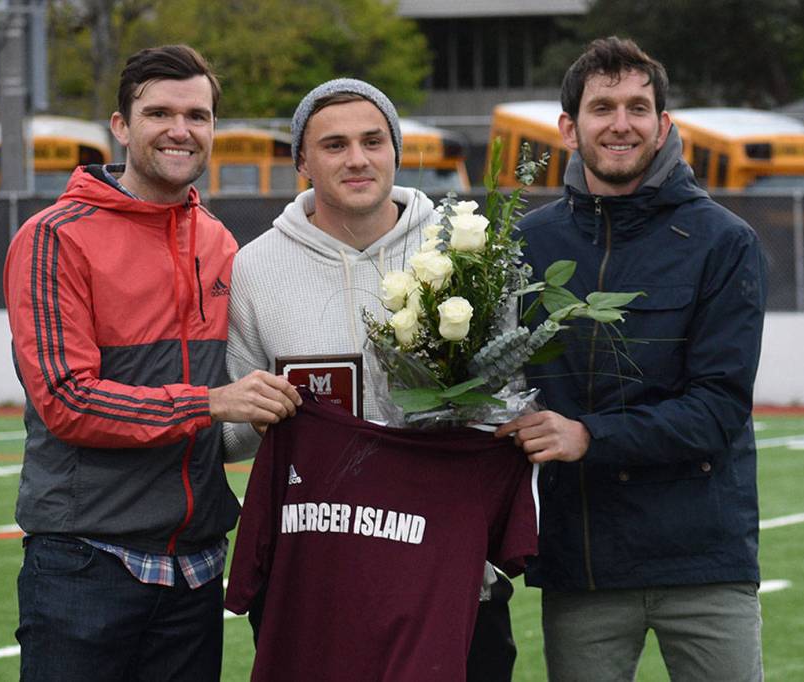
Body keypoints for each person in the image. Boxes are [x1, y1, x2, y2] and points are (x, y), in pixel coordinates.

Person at [3, 44, 301, 682]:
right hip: (86, 561)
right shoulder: (54, 237)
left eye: (197, 115)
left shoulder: (219, 240)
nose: (180, 130)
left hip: (194, 568)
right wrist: (211, 402)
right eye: (159, 112)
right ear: (121, 126)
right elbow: (68, 400)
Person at [224, 78, 518, 681]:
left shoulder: (468, 251)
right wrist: (256, 410)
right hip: (314, 580)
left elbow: (506, 401)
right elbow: (235, 439)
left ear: (396, 150)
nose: (357, 159)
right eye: (334, 145)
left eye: (372, 141)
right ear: (302, 161)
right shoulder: (255, 267)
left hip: (448, 574)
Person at [495, 37, 768, 681]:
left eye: (638, 107)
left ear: (663, 124)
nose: (621, 123)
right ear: (569, 127)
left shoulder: (724, 242)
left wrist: (588, 435)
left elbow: (719, 408)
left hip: (705, 561)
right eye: (602, 107)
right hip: (584, 560)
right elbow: (496, 387)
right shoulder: (525, 243)